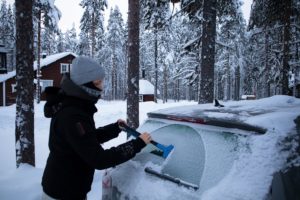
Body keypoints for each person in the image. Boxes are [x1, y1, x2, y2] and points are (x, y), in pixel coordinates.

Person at [41, 56, 152, 200]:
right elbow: (99, 159)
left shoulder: (75, 106)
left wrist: (115, 128)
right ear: (84, 84)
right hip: (63, 192)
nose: (102, 86)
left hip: (67, 188)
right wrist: (137, 144)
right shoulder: (73, 115)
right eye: (98, 82)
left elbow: (87, 139)